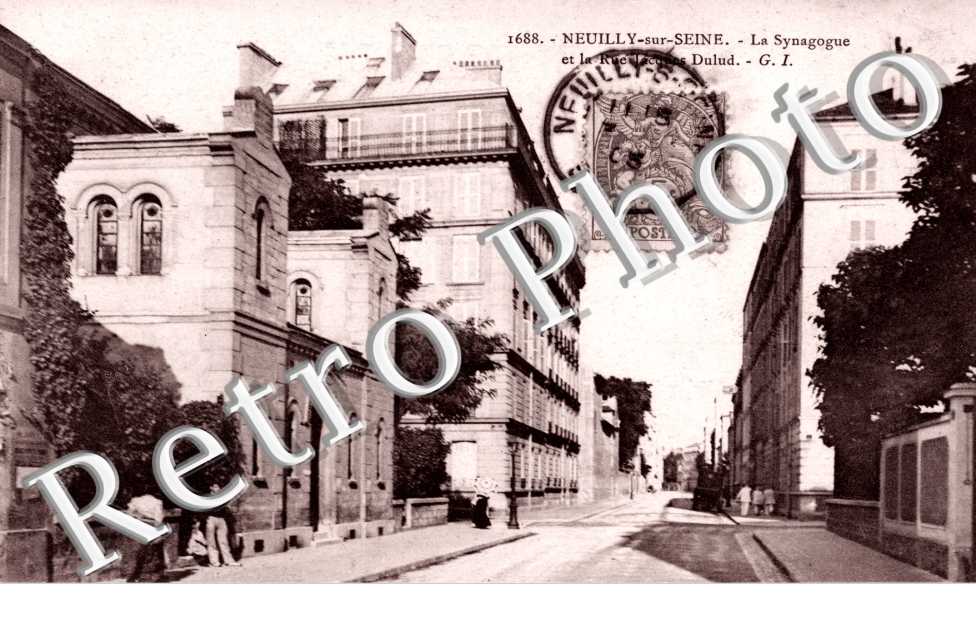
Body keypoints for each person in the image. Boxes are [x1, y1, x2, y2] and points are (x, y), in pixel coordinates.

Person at [126, 493, 169, 582]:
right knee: (155, 552)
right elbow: (158, 521)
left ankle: (135, 575)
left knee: (140, 552)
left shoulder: (135, 500)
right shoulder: (157, 502)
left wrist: (138, 517)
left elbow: (129, 515)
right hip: (153, 530)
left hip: (139, 530)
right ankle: (154, 575)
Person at [206, 485, 240, 567]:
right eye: (215, 487)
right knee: (211, 541)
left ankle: (228, 560)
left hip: (222, 519)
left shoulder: (222, 496)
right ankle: (214, 561)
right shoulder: (207, 497)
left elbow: (229, 508)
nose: (218, 489)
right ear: (211, 488)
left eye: (218, 487)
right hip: (211, 518)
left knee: (224, 541)